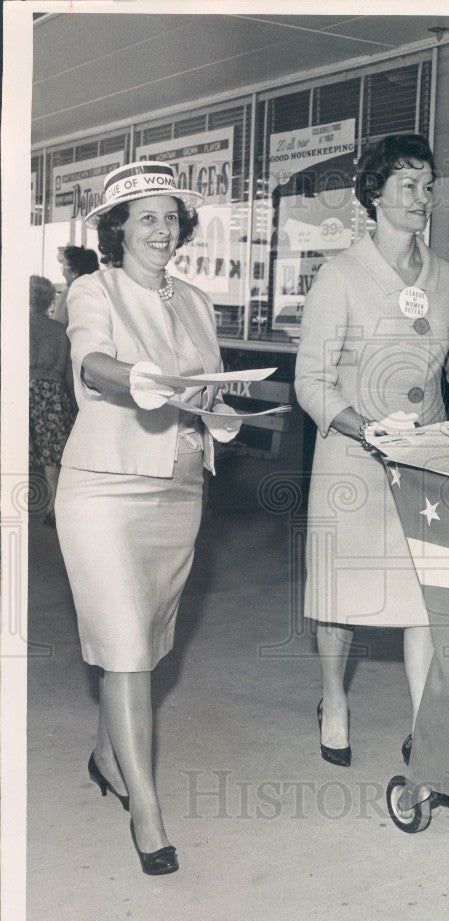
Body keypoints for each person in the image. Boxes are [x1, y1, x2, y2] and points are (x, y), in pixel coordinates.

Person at [294, 133, 449, 768]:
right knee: (340, 595)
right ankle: (334, 700)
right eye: (408, 186)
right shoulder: (339, 275)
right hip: (353, 457)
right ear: (373, 195)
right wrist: (364, 427)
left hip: (423, 460)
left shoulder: (446, 277)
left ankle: (425, 723)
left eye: (428, 187)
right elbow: (310, 382)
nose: (423, 199)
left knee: (421, 597)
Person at [54, 161, 240, 875]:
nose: (164, 229)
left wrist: (223, 417)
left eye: (172, 216)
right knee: (124, 642)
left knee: (142, 644)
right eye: (148, 217)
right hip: (104, 488)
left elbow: (209, 387)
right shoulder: (92, 289)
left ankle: (107, 756)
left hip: (178, 490)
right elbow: (92, 363)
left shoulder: (196, 300)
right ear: (118, 229)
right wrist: (136, 379)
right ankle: (146, 807)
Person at [29, 275, 76, 524]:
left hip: (25, 388)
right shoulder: (60, 330)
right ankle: (53, 505)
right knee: (51, 454)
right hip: (53, 394)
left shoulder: (18, 324)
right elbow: (69, 373)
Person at [52, 245, 100, 326]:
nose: (63, 273)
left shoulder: (68, 294)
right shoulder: (98, 291)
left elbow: (56, 328)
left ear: (75, 272)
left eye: (64, 268)